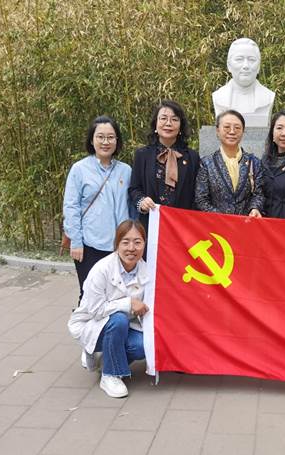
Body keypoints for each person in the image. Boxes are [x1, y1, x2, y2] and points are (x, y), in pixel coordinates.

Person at [68, 220, 150, 399]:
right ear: (117, 244)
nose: (131, 248)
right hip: (94, 324)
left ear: (144, 244)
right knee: (119, 319)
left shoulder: (147, 271)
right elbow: (96, 310)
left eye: (137, 242)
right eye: (126, 242)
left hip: (126, 327)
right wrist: (128, 303)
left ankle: (106, 359)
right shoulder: (101, 269)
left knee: (143, 346)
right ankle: (110, 375)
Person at [63, 115, 132, 303]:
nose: (105, 142)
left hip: (118, 246)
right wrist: (76, 242)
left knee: (116, 295)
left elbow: (130, 207)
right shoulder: (79, 169)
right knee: (88, 295)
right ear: (92, 140)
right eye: (100, 137)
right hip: (89, 245)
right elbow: (71, 207)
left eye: (110, 137)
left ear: (117, 140)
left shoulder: (126, 170)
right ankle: (85, 323)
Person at [129, 100, 199, 234]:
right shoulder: (142, 155)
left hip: (183, 229)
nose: (168, 123)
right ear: (156, 123)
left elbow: (197, 195)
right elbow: (134, 189)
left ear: (181, 126)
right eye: (163, 118)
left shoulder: (192, 157)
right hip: (151, 226)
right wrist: (141, 202)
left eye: (174, 119)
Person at [195, 110, 264, 216]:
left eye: (237, 128)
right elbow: (201, 199)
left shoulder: (254, 162)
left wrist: (254, 208)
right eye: (227, 127)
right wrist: (224, 219)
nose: (232, 132)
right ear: (217, 130)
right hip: (217, 223)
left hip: (246, 223)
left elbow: (259, 194)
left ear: (243, 131)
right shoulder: (207, 163)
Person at [212, 38, 275, 127]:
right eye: (239, 59)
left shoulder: (268, 97)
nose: (246, 66)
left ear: (258, 67)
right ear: (229, 65)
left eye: (252, 60)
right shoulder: (219, 97)